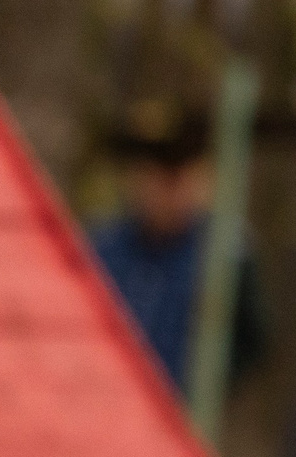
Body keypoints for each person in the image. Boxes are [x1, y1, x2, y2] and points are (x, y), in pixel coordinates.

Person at [89, 118, 265, 393]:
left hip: (178, 405)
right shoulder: (102, 246)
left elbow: (254, 339)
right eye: (152, 175)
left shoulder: (226, 252)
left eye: (175, 179)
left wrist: (205, 388)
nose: (163, 192)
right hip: (106, 397)